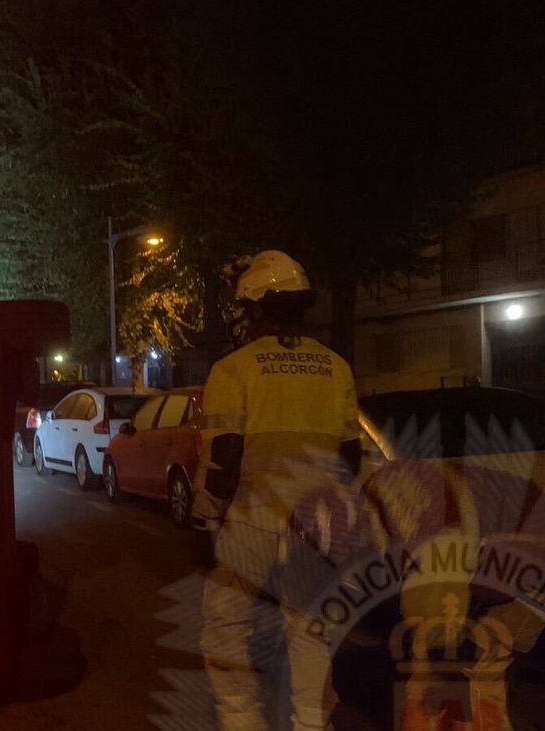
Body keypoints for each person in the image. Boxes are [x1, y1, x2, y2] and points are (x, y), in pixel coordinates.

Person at [193, 250, 362, 731]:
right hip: (319, 525)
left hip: (253, 520)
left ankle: (244, 722)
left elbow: (223, 459)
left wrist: (206, 518)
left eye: (245, 309)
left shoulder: (235, 369)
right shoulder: (336, 368)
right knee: (310, 629)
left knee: (226, 630)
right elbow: (350, 459)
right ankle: (311, 724)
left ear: (260, 307)